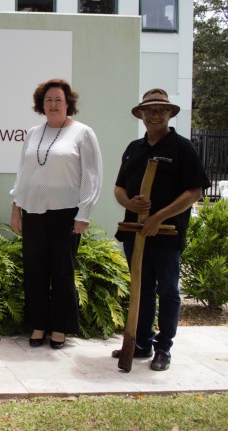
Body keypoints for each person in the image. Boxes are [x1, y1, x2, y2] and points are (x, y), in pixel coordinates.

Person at [112, 89, 210, 371]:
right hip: (135, 232)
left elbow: (194, 191)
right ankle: (140, 342)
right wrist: (129, 202)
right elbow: (119, 188)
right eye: (149, 110)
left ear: (170, 114)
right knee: (140, 288)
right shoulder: (134, 149)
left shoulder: (182, 148)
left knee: (168, 290)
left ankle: (163, 348)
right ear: (141, 114)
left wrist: (159, 217)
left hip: (167, 233)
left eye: (161, 110)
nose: (155, 115)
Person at [10, 79, 103, 349]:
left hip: (66, 213)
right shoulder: (33, 133)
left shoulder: (83, 133)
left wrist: (84, 213)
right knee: (35, 270)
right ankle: (39, 325)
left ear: (68, 103)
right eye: (48, 100)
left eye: (58, 100)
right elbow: (22, 173)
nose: (53, 104)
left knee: (62, 271)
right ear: (41, 104)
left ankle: (60, 328)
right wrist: (16, 207)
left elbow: (92, 175)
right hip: (34, 211)